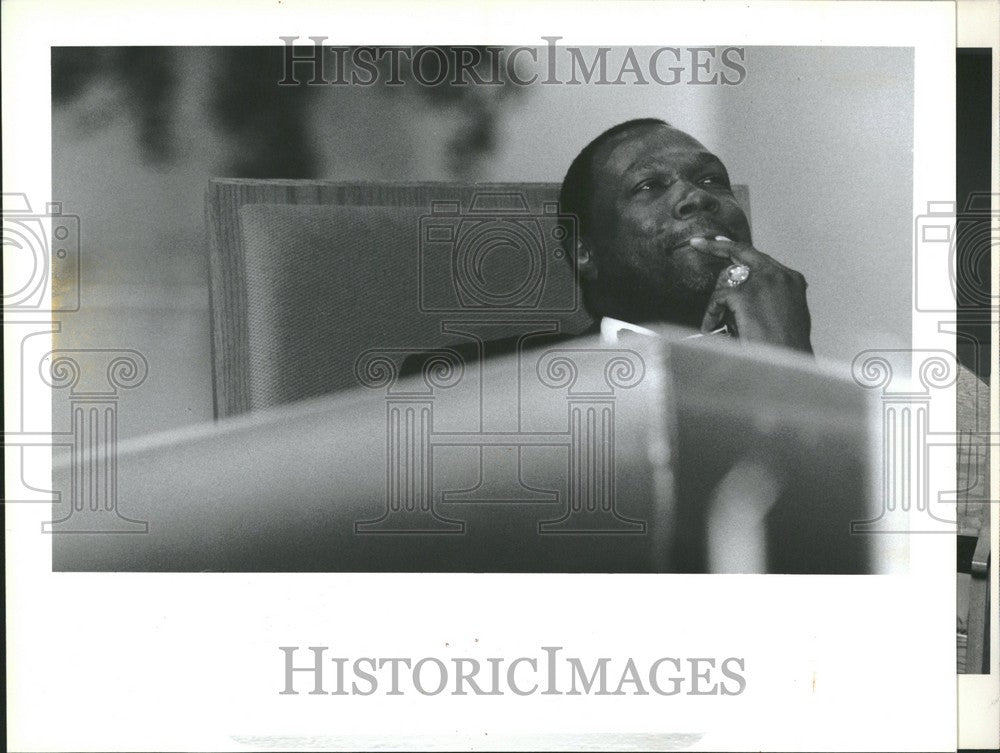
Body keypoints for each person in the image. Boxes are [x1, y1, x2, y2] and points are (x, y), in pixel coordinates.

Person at [557, 117, 812, 352]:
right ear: (584, 253)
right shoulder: (524, 371)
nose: (699, 196)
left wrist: (786, 357)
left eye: (712, 180)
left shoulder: (812, 367)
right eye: (649, 185)